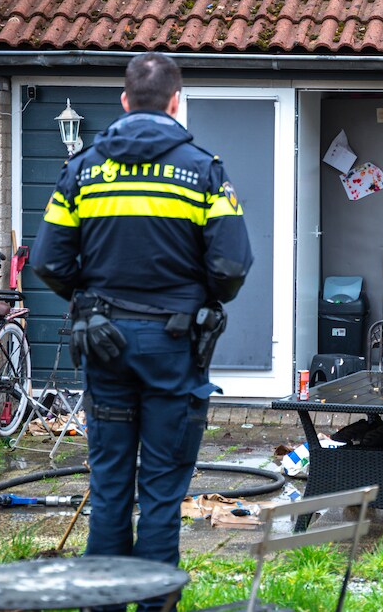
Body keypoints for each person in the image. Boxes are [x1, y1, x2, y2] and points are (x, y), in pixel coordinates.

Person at [30, 52, 252, 610]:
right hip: (174, 348)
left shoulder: (83, 169)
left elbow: (48, 261)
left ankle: (104, 603)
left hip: (104, 344)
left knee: (109, 488)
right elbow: (231, 266)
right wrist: (202, 300)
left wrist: (87, 301)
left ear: (125, 100)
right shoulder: (203, 171)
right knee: (161, 492)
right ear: (175, 102)